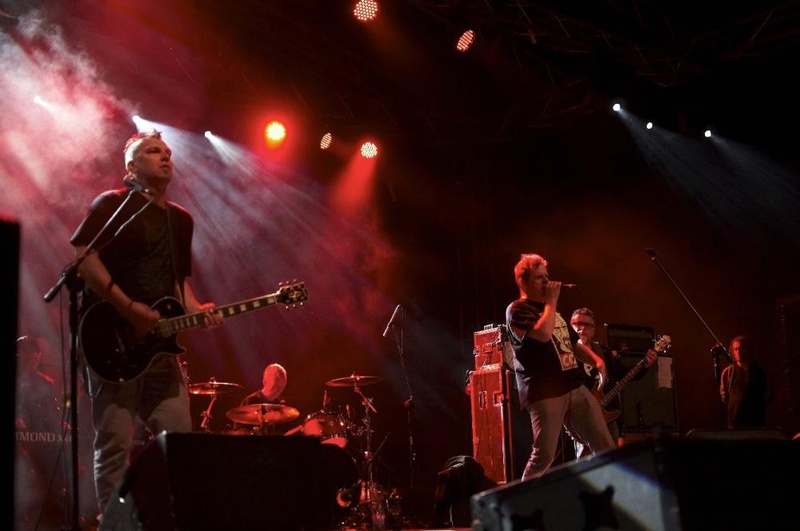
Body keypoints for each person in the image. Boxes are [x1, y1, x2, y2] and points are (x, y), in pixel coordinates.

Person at [70, 130, 223, 518]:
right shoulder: (111, 204)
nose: (165, 156)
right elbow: (85, 258)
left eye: (167, 151)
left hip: (159, 351)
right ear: (131, 167)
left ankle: (171, 521)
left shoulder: (180, 219)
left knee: (181, 441)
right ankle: (112, 525)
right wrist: (129, 308)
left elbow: (176, 284)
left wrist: (198, 310)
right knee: (114, 446)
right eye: (154, 151)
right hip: (111, 341)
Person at [505, 253, 616, 480]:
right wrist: (551, 301)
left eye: (547, 276)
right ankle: (526, 498)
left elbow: (570, 344)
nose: (546, 281)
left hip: (573, 386)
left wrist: (596, 361)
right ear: (524, 282)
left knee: (604, 442)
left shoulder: (551, 309)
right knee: (543, 455)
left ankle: (618, 489)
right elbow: (543, 335)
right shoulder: (517, 310)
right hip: (545, 393)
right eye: (539, 277)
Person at [569, 308, 657, 456]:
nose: (582, 328)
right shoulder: (567, 354)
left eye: (587, 325)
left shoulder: (603, 351)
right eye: (577, 323)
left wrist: (645, 365)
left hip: (608, 417)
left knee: (613, 458)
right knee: (587, 461)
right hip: (583, 418)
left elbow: (624, 374)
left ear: (593, 329)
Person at [14, 335, 65, 530]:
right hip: (20, 442)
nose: (33, 358)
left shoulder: (46, 383)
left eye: (35, 354)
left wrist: (63, 429)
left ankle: (56, 514)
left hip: (41, 441)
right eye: (27, 355)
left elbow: (54, 417)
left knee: (57, 464)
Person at [719, 335, 772, 429]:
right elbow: (724, 396)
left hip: (756, 422)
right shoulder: (728, 372)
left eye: (741, 349)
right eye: (736, 349)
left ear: (748, 350)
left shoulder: (760, 372)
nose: (738, 352)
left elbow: (768, 394)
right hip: (734, 423)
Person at [231, 363, 290, 435]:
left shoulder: (280, 406)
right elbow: (238, 430)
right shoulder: (250, 401)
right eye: (276, 385)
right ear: (264, 381)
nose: (278, 389)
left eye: (281, 387)